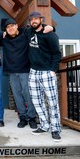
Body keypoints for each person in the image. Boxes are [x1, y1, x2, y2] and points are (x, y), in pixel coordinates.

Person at [26, 11, 62, 142]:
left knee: (52, 102)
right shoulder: (29, 32)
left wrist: (53, 70)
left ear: (41, 20)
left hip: (47, 72)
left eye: (36, 19)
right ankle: (45, 125)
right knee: (37, 101)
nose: (33, 21)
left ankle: (55, 128)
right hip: (33, 72)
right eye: (31, 19)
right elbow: (15, 31)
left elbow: (57, 54)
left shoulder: (50, 35)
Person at [2, 19, 37, 129]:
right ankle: (22, 117)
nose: (10, 28)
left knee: (27, 94)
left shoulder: (25, 34)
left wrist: (51, 27)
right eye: (7, 27)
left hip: (25, 70)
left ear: (17, 26)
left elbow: (38, 29)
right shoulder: (4, 39)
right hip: (12, 72)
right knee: (17, 95)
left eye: (12, 26)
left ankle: (32, 117)